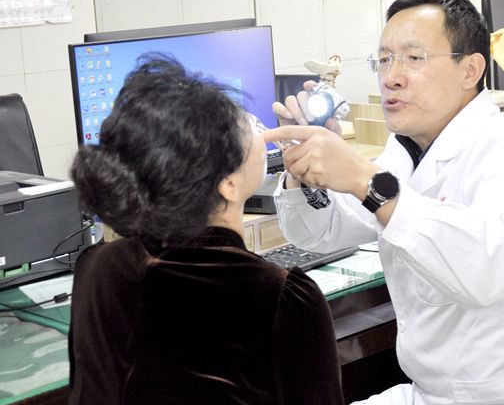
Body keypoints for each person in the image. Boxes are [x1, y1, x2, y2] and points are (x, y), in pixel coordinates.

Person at [268, 0, 504, 405]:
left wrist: (362, 178)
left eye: (414, 58)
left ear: (470, 70)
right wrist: (304, 171)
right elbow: (321, 234)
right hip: (437, 391)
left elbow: (486, 270)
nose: (391, 76)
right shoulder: (405, 149)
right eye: (384, 59)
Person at [67, 56, 343, 405]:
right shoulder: (282, 296)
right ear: (228, 183)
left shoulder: (97, 266)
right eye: (249, 126)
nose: (261, 130)